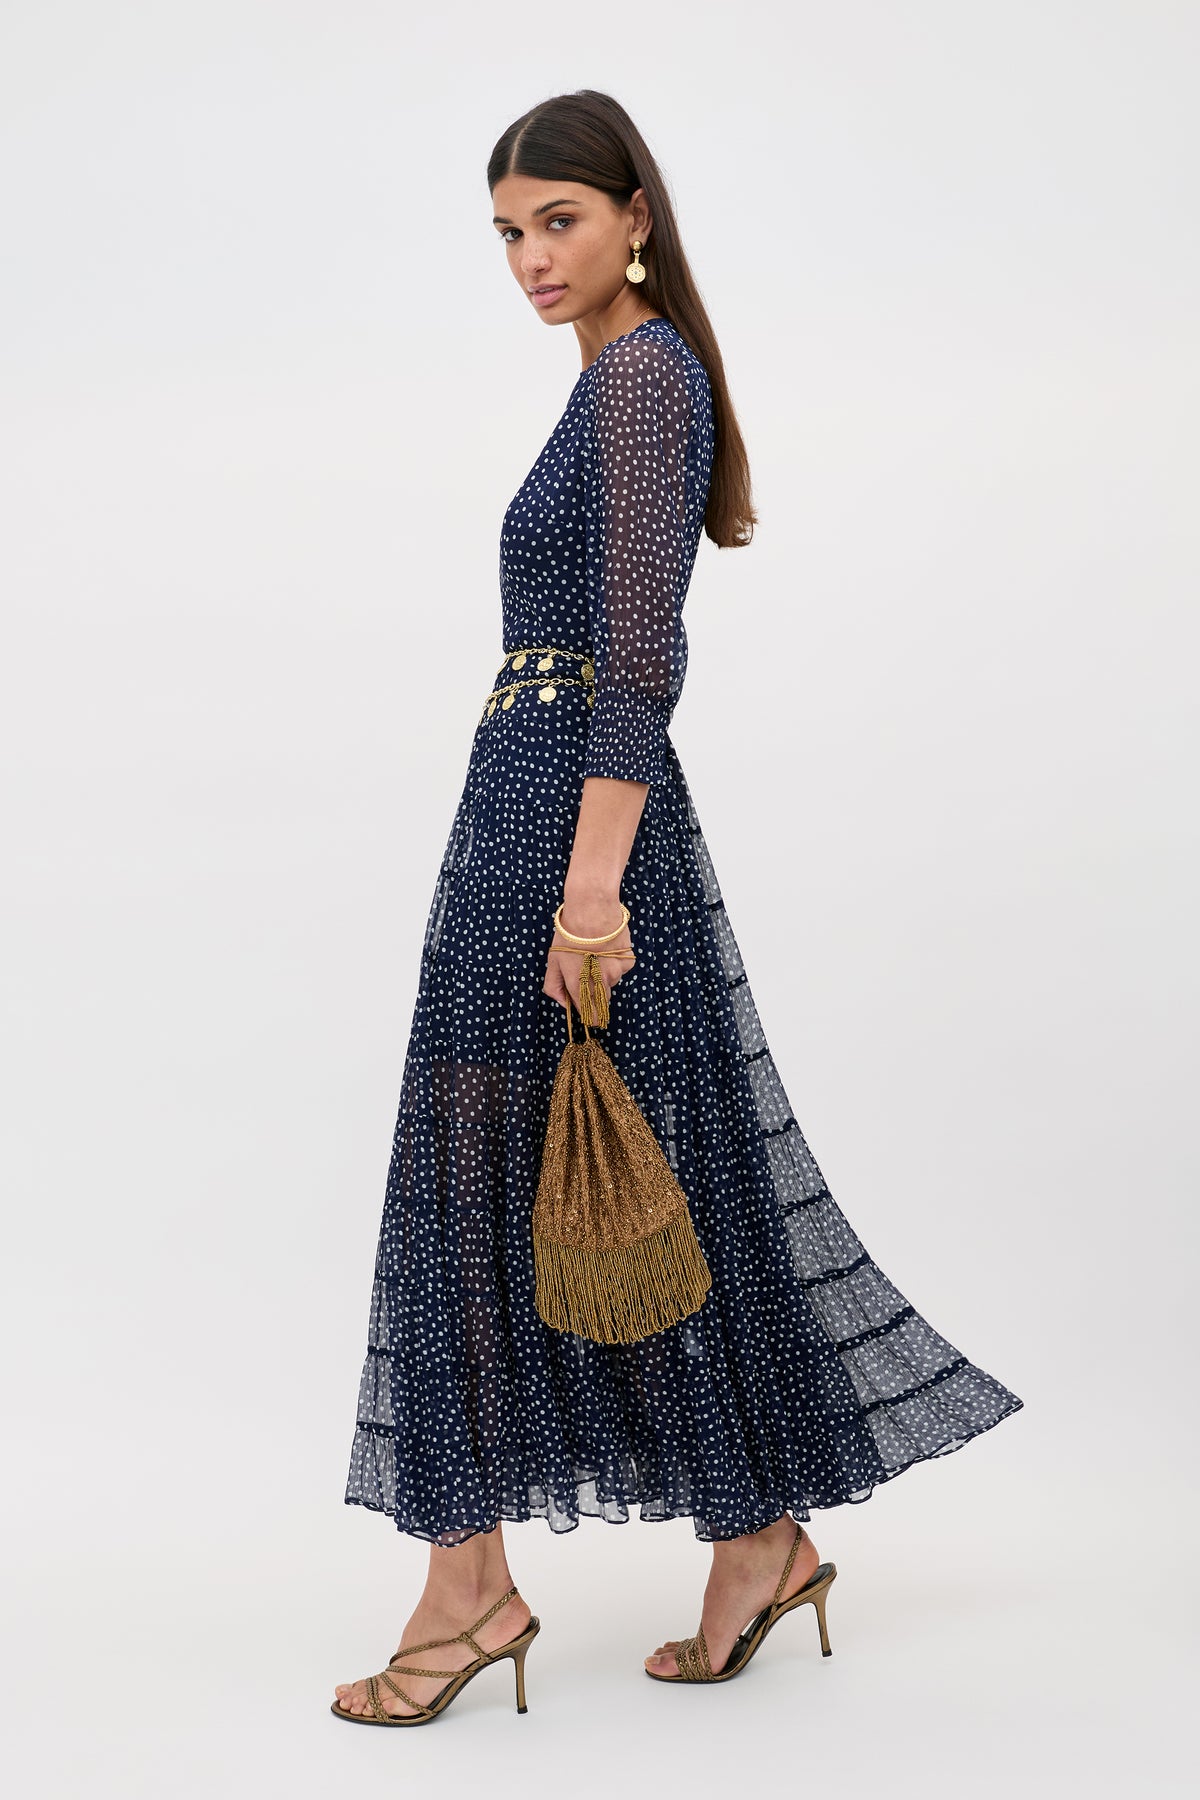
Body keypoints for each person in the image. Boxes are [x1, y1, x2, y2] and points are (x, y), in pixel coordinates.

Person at [331, 89, 1023, 1727]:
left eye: (557, 221)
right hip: (528, 802)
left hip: (572, 829)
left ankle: (478, 1587)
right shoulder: (610, 383)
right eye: (507, 234)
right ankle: (745, 1538)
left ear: (637, 215)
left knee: (521, 1172)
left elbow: (643, 658)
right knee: (586, 1176)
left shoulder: (647, 379)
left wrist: (590, 889)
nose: (531, 260)